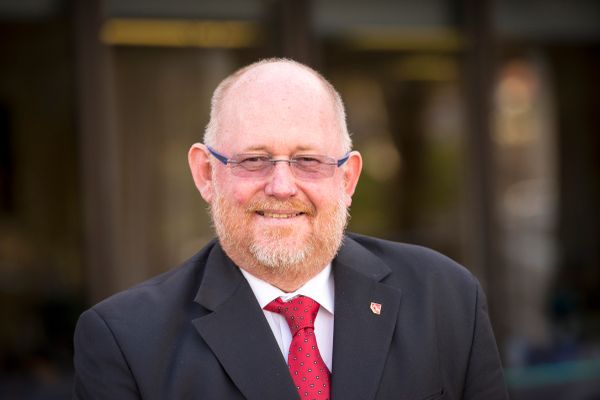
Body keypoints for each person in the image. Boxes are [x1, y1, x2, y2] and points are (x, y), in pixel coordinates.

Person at [73, 58, 509, 400]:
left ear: (348, 178)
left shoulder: (447, 299)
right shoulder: (126, 341)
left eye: (308, 160)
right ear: (206, 173)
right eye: (254, 159)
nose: (282, 187)